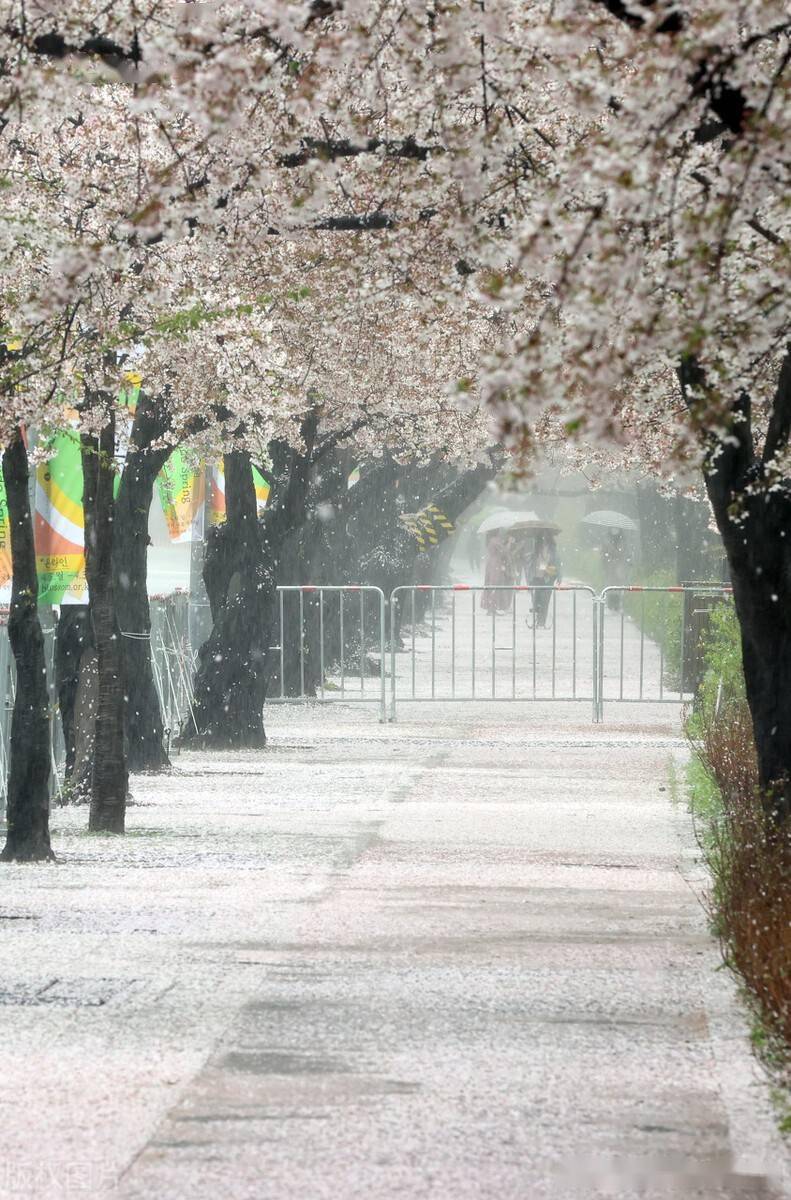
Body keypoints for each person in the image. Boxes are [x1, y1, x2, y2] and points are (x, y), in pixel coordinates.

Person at [525, 533, 560, 627]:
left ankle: (541, 621)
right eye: (542, 537)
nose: (544, 539)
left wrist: (559, 575)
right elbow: (532, 564)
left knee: (545, 600)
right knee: (536, 600)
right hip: (537, 577)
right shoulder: (536, 549)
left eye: (546, 537)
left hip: (548, 578)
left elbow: (557, 563)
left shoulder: (553, 549)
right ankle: (537, 619)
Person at [481, 530, 516, 612]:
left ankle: (491, 607)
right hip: (496, 565)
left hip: (492, 564)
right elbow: (504, 552)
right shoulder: (496, 541)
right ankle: (492, 608)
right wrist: (509, 543)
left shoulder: (491, 540)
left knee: (491, 584)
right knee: (496, 585)